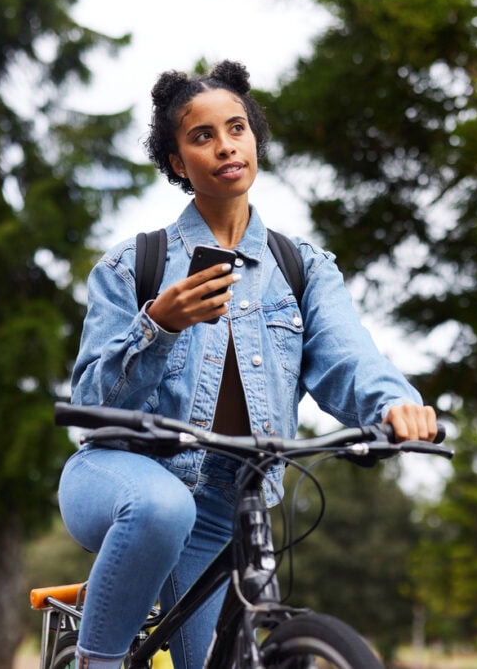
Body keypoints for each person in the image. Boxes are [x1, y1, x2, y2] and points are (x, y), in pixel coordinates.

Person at [58, 60, 437, 669]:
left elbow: (349, 357)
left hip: (234, 504)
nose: (225, 145)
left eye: (237, 128)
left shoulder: (302, 268)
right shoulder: (133, 266)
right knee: (163, 506)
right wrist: (159, 324)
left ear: (254, 139)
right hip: (119, 477)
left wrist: (393, 404)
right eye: (202, 135)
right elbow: (94, 408)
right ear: (178, 162)